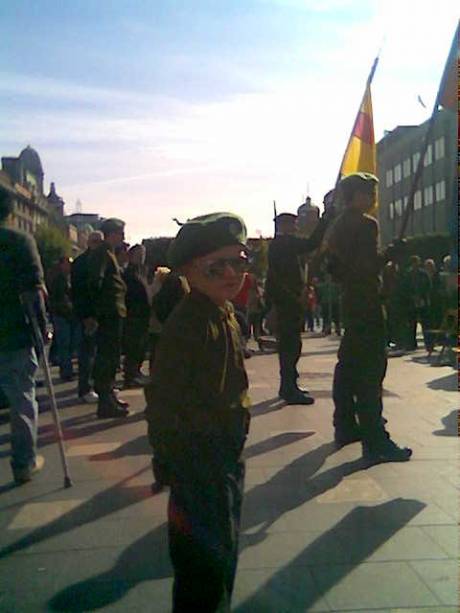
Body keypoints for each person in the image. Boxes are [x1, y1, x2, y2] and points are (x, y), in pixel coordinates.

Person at [144, 212, 251, 612]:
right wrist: (167, 458)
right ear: (189, 269)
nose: (230, 273)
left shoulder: (223, 312)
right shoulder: (188, 323)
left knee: (223, 550)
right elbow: (163, 398)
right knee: (203, 567)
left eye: (238, 262)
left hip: (224, 453)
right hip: (198, 458)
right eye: (215, 265)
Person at [327, 172, 412, 463]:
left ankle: (346, 424)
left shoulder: (339, 225)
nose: (374, 198)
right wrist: (389, 254)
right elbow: (365, 267)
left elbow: (338, 268)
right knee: (371, 369)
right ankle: (376, 439)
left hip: (350, 301)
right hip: (366, 302)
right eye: (369, 193)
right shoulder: (365, 224)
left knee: (349, 365)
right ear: (355, 195)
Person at [0, 190, 47, 483]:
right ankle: (23, 462)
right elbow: (35, 292)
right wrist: (42, 329)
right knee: (21, 398)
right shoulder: (20, 241)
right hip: (15, 332)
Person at [265, 207, 334, 405]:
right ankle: (288, 388)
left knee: (291, 345)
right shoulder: (284, 243)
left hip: (287, 300)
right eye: (292, 224)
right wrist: (325, 220)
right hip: (288, 301)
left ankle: (289, 385)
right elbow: (312, 243)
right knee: (290, 346)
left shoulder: (278, 245)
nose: (295, 227)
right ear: (284, 226)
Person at [87, 218, 130, 419]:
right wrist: (94, 313)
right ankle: (105, 401)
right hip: (108, 312)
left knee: (112, 357)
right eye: (120, 233)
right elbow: (95, 281)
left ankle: (109, 397)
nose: (122, 237)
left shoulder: (107, 253)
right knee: (107, 357)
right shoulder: (103, 253)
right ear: (111, 234)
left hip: (112, 311)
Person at [71, 230, 103, 403]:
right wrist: (86, 315)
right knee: (87, 352)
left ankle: (95, 385)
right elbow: (79, 292)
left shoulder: (99, 260)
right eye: (95, 241)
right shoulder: (83, 263)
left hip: (99, 313)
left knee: (96, 352)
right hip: (88, 314)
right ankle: (85, 388)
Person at [122, 244, 151, 387]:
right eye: (139, 255)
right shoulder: (128, 274)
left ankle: (136, 372)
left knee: (140, 346)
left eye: (143, 255)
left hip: (143, 314)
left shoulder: (142, 272)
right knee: (133, 347)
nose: (141, 257)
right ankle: (130, 375)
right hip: (134, 314)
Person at [48, 256, 78, 382]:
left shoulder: (68, 278)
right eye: (68, 264)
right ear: (61, 265)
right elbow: (60, 298)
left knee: (69, 343)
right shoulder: (58, 279)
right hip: (61, 314)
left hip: (68, 314)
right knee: (64, 344)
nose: (70, 266)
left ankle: (66, 368)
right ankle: (66, 371)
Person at [402, 255, 432, 351]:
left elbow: (428, 286)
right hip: (411, 302)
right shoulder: (408, 275)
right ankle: (412, 344)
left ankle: (429, 344)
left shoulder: (423, 274)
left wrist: (424, 297)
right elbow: (404, 288)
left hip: (422, 301)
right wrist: (411, 296)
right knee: (412, 324)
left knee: (426, 323)